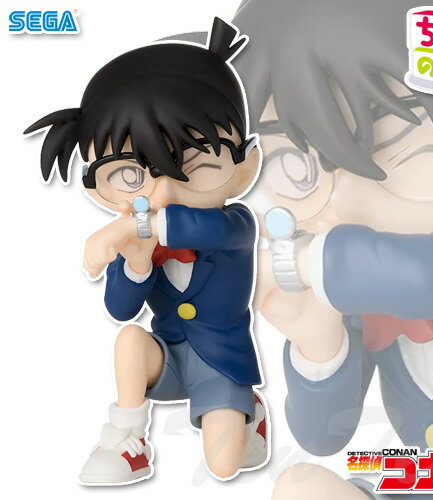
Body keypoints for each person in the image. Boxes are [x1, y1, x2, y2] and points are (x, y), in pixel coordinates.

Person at [231, 1, 433, 498]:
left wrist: (310, 261)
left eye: (399, 146)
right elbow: (323, 436)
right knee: (301, 487)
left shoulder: (357, 267)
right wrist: (318, 344)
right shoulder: (360, 286)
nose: (345, 208)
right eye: (298, 170)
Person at [25, 17, 268, 485]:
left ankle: (248, 414)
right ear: (98, 188)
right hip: (166, 361)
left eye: (194, 164)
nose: (163, 192)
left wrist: (126, 229)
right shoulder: (135, 238)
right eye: (130, 174)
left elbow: (193, 226)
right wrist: (136, 261)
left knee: (224, 467)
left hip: (221, 364)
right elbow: (120, 309)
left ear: (243, 168)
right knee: (129, 339)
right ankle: (126, 437)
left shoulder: (235, 223)